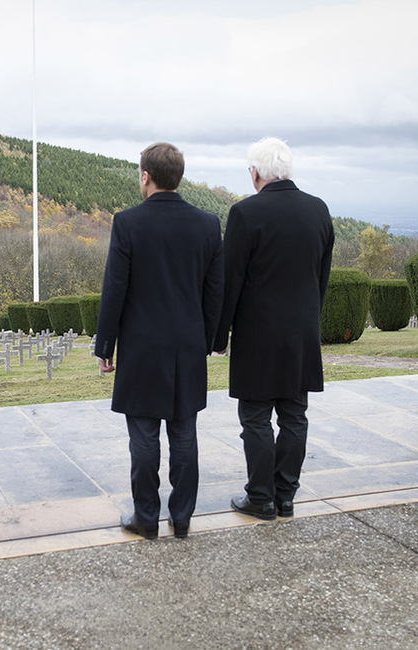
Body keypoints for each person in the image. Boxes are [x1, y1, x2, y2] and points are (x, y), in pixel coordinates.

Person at [96, 142, 224, 539]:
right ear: (178, 176)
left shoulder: (128, 222)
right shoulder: (207, 224)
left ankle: (146, 517)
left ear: (146, 176)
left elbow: (114, 289)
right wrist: (210, 339)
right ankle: (182, 517)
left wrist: (105, 346)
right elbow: (214, 290)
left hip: (141, 346)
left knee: (144, 436)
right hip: (187, 344)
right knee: (184, 434)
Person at [214, 137, 334, 521]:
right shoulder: (319, 210)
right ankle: (286, 496)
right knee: (294, 416)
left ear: (256, 173)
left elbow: (229, 280)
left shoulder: (245, 213)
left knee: (255, 416)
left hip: (257, 334)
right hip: (301, 331)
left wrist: (218, 337)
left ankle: (261, 497)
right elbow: (322, 277)